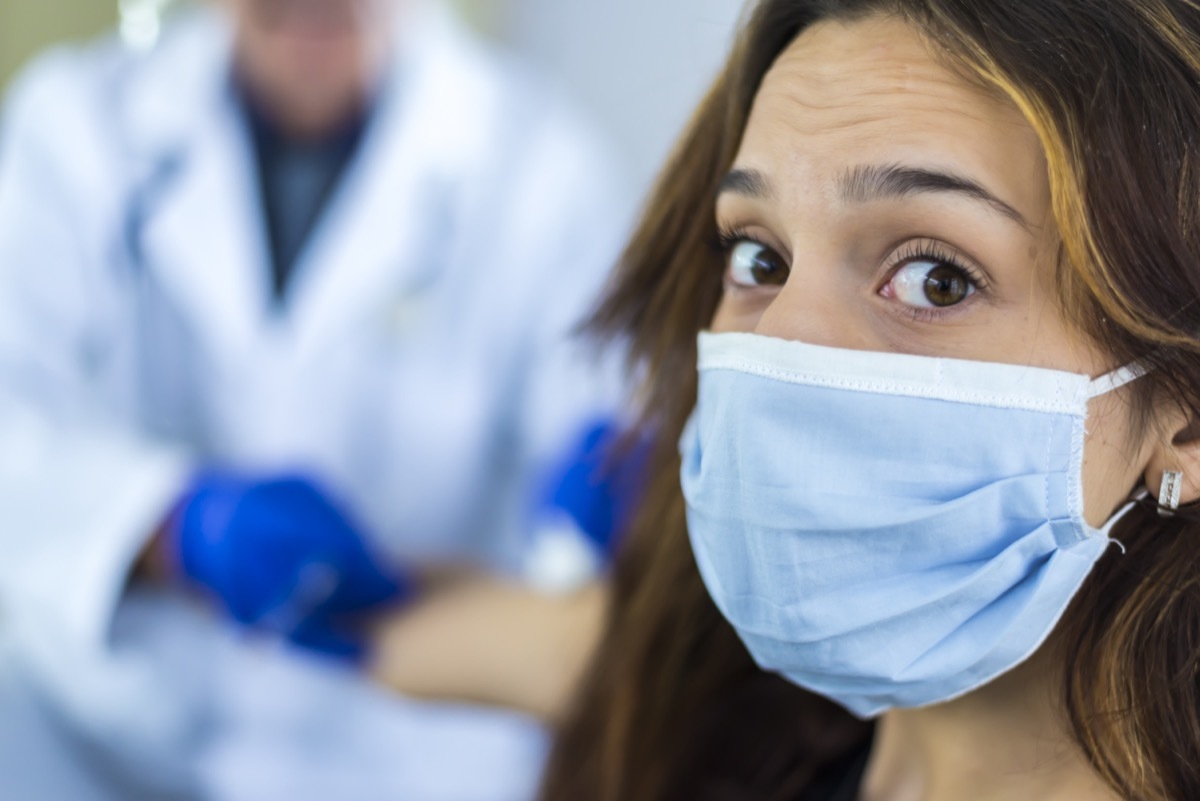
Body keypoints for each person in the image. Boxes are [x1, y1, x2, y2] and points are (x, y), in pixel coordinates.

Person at [539, 1, 1200, 800]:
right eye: (761, 258)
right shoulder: (730, 727)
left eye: (936, 278)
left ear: (1186, 423)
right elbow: (492, 640)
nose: (779, 340)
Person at [0, 0, 632, 798]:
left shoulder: (544, 164)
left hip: (411, 762)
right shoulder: (73, 127)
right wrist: (166, 521)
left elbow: (601, 397)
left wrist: (614, 462)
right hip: (94, 740)